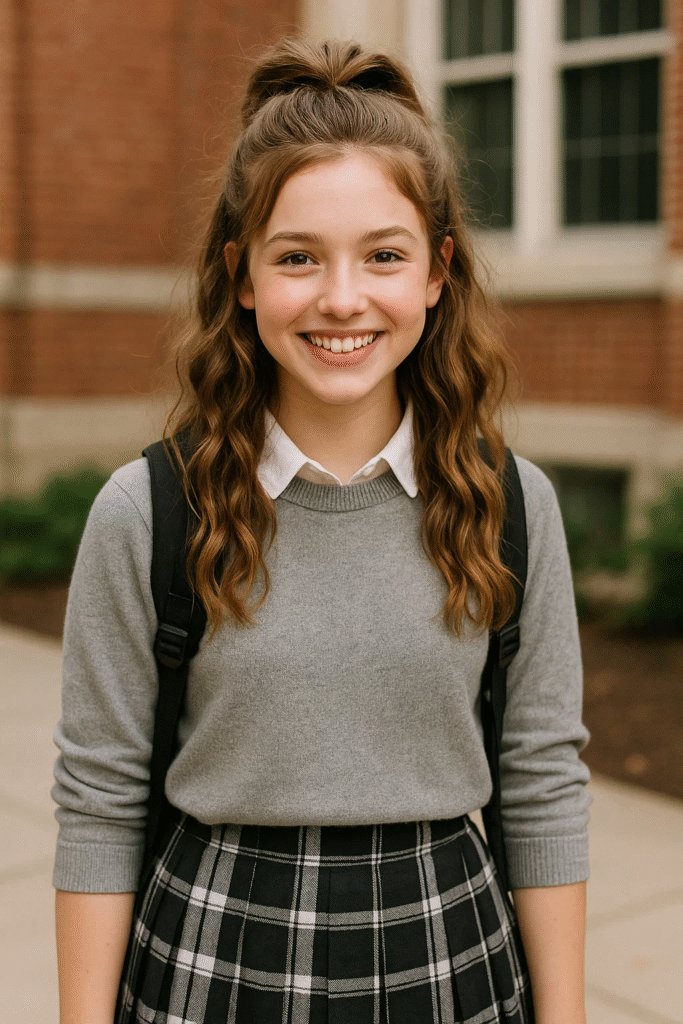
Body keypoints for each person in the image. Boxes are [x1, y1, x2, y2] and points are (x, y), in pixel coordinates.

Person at [52, 37, 591, 1024]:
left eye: (382, 255)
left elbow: (542, 779)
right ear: (242, 276)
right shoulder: (146, 512)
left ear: (436, 273)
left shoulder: (511, 506)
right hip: (214, 951)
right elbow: (99, 798)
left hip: (447, 946)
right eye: (296, 257)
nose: (340, 298)